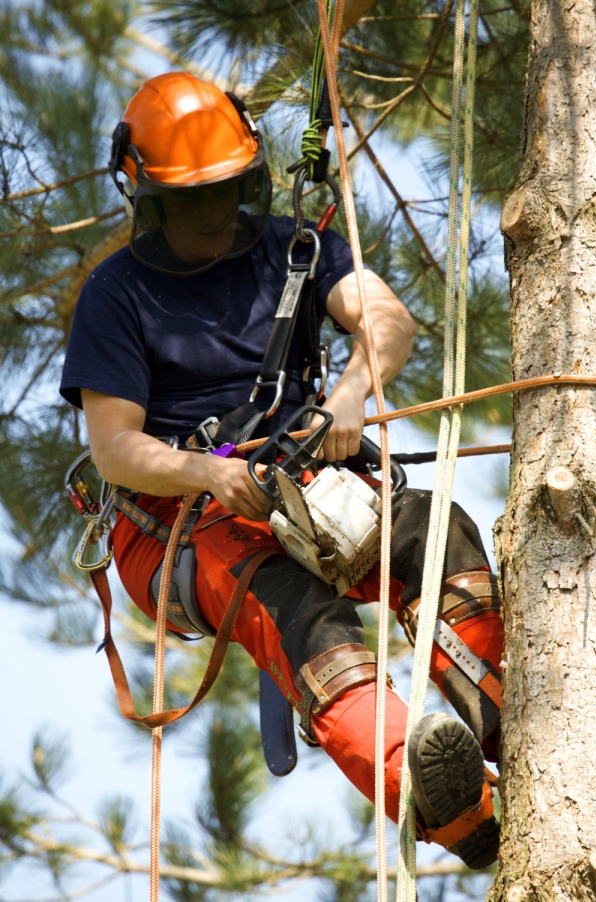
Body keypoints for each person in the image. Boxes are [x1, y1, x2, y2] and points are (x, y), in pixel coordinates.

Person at [60, 71, 504, 868]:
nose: (214, 212)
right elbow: (115, 448)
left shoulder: (293, 249)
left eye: (229, 190)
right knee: (291, 603)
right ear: (146, 195)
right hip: (178, 526)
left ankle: (508, 706)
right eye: (191, 198)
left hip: (299, 480)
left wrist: (349, 398)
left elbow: (386, 319)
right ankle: (446, 800)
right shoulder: (116, 295)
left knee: (430, 529)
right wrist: (205, 474)